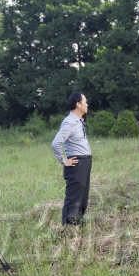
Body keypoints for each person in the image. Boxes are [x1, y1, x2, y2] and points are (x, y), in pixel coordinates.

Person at [51, 92, 92, 225]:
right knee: (74, 198)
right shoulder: (69, 122)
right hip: (76, 163)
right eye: (84, 101)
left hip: (85, 162)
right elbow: (56, 143)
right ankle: (68, 227)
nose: (87, 104)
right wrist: (64, 160)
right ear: (77, 104)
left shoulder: (79, 121)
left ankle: (78, 224)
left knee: (83, 197)